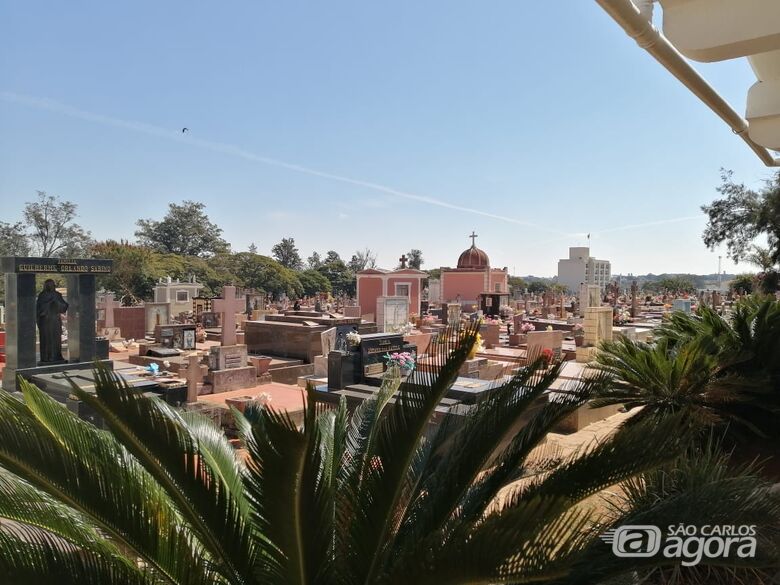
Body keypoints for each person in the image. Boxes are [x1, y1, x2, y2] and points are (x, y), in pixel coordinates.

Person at [36, 279, 68, 363]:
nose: (50, 286)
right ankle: (46, 357)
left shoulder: (57, 295)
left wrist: (57, 303)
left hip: (55, 320)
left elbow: (64, 306)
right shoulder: (42, 295)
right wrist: (49, 304)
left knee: (56, 339)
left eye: (52, 285)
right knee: (46, 339)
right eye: (48, 285)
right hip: (45, 321)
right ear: (46, 286)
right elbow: (38, 309)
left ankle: (57, 356)